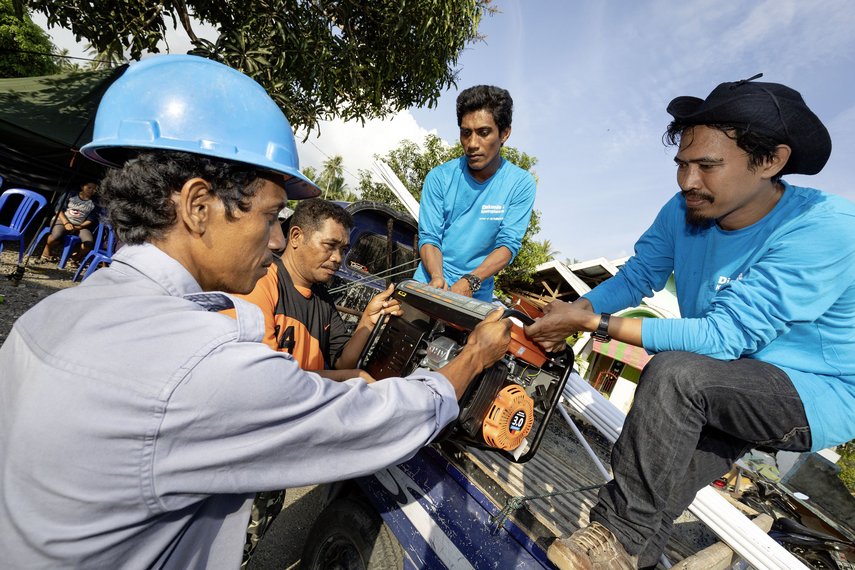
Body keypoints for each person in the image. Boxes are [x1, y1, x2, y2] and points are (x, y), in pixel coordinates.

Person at [0, 54, 512, 569]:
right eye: (269, 216)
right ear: (198, 206)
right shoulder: (202, 365)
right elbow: (365, 423)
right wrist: (471, 360)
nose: (273, 240)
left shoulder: (47, 316)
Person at [526, 76, 855, 569]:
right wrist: (574, 312)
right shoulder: (685, 209)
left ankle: (620, 539)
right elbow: (638, 275)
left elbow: (724, 337)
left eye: (707, 166)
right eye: (682, 164)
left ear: (771, 162)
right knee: (654, 497)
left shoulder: (825, 228)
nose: (688, 182)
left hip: (812, 392)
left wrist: (593, 323)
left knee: (677, 373)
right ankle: (624, 551)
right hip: (726, 371)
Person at [227, 198, 401, 382]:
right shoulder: (260, 282)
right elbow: (264, 376)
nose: (337, 258)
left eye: (342, 250)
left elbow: (342, 362)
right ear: (296, 237)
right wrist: (347, 377)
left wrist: (368, 321)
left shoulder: (322, 298)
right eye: (329, 246)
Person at [413, 84, 536, 301]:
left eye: (483, 133)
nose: (472, 144)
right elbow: (430, 237)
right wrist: (436, 277)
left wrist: (470, 281)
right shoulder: (439, 177)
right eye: (465, 133)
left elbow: (508, 245)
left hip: (477, 294)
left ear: (504, 133)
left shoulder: (520, 184)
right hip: (430, 283)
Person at [39, 180, 98, 264]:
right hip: (61, 220)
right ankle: (46, 251)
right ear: (82, 187)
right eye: (89, 187)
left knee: (89, 243)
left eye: (94, 189)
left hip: (79, 225)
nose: (92, 190)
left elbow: (91, 219)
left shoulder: (95, 202)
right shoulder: (71, 194)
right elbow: (58, 209)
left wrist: (80, 227)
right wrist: (66, 223)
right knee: (56, 235)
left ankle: (75, 258)